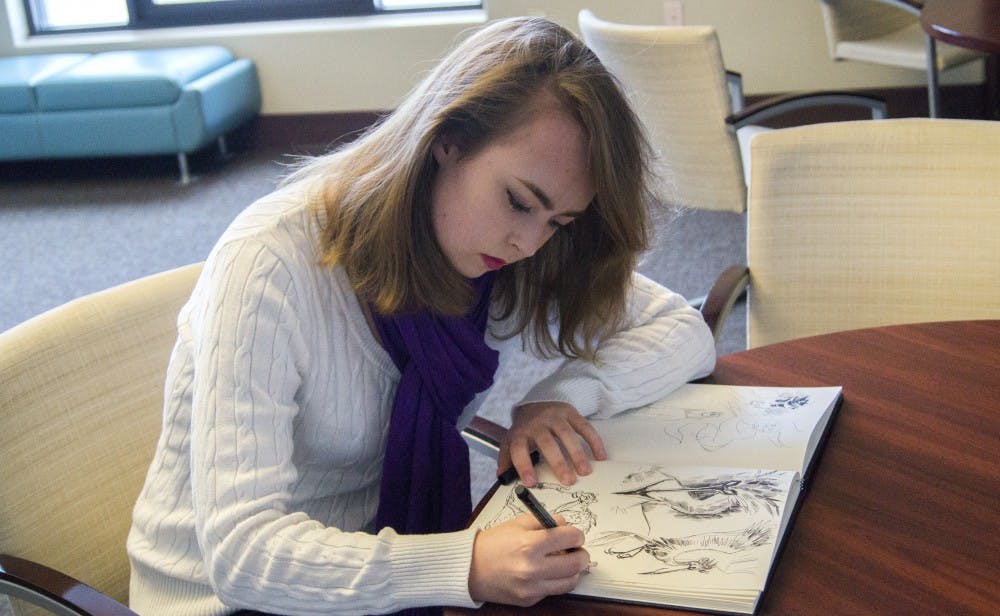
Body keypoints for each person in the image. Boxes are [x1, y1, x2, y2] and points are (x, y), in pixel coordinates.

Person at [126, 15, 716, 616]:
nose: (529, 244)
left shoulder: (499, 256)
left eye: (558, 221)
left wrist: (565, 393)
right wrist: (463, 565)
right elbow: (241, 557)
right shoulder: (269, 265)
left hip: (377, 560)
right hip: (218, 599)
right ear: (447, 140)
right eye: (518, 201)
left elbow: (682, 330)